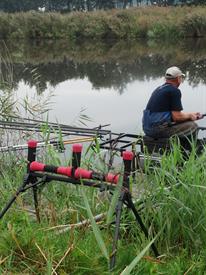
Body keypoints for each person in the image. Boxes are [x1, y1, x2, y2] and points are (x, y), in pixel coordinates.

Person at [142, 66, 203, 140]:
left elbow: (173, 115)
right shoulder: (174, 91)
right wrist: (190, 116)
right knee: (193, 126)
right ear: (178, 79)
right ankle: (188, 150)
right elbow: (176, 117)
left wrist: (190, 115)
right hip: (158, 130)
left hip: (147, 129)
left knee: (186, 121)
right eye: (181, 77)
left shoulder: (159, 89)